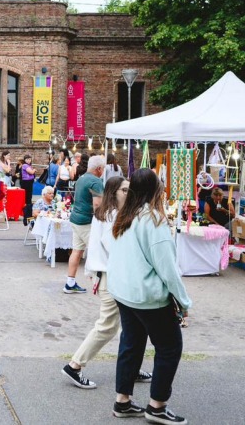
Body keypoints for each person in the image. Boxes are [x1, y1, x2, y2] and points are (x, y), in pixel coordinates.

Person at [108, 168, 192, 423]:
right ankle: (156, 406)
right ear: (156, 189)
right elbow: (167, 268)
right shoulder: (152, 219)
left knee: (131, 344)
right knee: (169, 347)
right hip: (147, 296)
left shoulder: (127, 214)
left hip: (125, 293)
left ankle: (122, 401)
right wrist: (185, 302)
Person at [61, 176, 153, 390]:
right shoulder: (111, 215)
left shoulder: (110, 214)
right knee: (108, 326)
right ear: (114, 192)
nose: (128, 194)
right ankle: (74, 365)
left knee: (132, 326)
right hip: (112, 277)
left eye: (129, 190)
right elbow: (116, 248)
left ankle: (131, 366)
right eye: (124, 190)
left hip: (112, 276)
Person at [65, 155, 105, 294]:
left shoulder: (81, 179)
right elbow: (97, 204)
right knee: (97, 252)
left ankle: (70, 282)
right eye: (103, 168)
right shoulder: (96, 181)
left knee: (77, 251)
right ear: (99, 168)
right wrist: (102, 222)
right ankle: (99, 284)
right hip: (86, 221)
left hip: (76, 218)